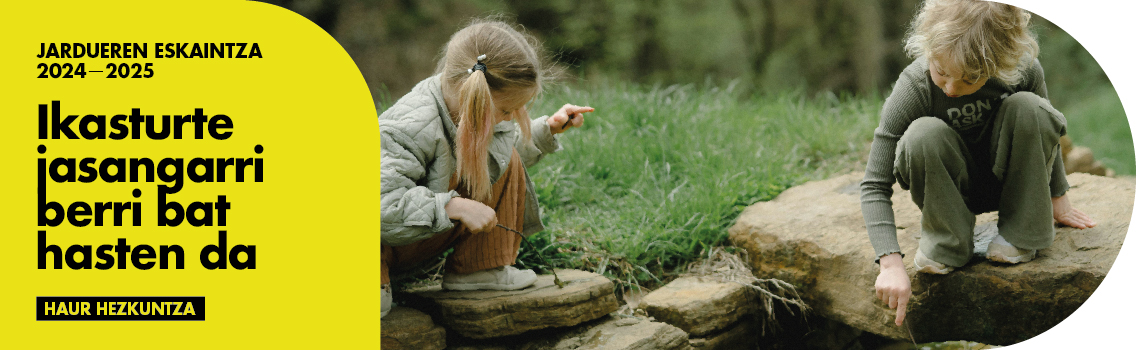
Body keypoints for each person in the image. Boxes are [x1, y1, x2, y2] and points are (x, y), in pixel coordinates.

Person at [860, 0, 1096, 327]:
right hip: (949, 191)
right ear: (927, 48)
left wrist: (1058, 198)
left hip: (1010, 181)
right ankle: (948, 243)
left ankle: (1021, 235)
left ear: (1002, 63)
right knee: (921, 134)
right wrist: (890, 264)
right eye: (941, 72)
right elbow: (874, 184)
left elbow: (1045, 133)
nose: (952, 88)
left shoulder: (1024, 71)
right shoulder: (913, 86)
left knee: (1032, 108)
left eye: (970, 78)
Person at [378, 19, 594, 318]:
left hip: (415, 239)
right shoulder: (407, 128)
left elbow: (504, 152)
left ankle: (479, 266)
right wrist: (453, 206)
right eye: (507, 110)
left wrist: (548, 129)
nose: (509, 119)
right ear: (473, 96)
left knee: (509, 158)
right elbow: (379, 205)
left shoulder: (476, 115)